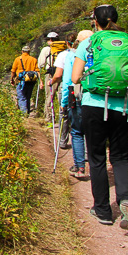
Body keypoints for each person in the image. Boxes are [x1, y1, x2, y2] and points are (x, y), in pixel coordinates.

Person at [71, 5, 128, 232]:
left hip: (95, 105)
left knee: (96, 157)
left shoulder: (88, 43)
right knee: (121, 157)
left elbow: (76, 78)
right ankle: (127, 200)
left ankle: (103, 210)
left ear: (94, 21)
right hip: (127, 107)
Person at [50, 30, 91, 178]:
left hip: (79, 95)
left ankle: (80, 166)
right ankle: (91, 158)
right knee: (92, 130)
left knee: (78, 131)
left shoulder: (71, 55)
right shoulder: (100, 51)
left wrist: (64, 101)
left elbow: (68, 80)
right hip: (99, 97)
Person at [38, 32, 68, 122]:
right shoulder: (64, 49)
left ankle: (49, 118)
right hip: (63, 73)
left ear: (50, 40)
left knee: (50, 96)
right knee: (61, 95)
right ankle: (63, 117)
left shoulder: (46, 49)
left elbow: (41, 64)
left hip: (51, 74)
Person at [10, 45, 39, 116]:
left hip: (21, 80)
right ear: (29, 51)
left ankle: (24, 113)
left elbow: (13, 70)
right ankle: (28, 110)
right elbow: (37, 70)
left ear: (22, 51)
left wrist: (12, 79)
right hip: (31, 80)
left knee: (21, 96)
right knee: (28, 96)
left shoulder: (17, 59)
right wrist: (40, 80)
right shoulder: (34, 59)